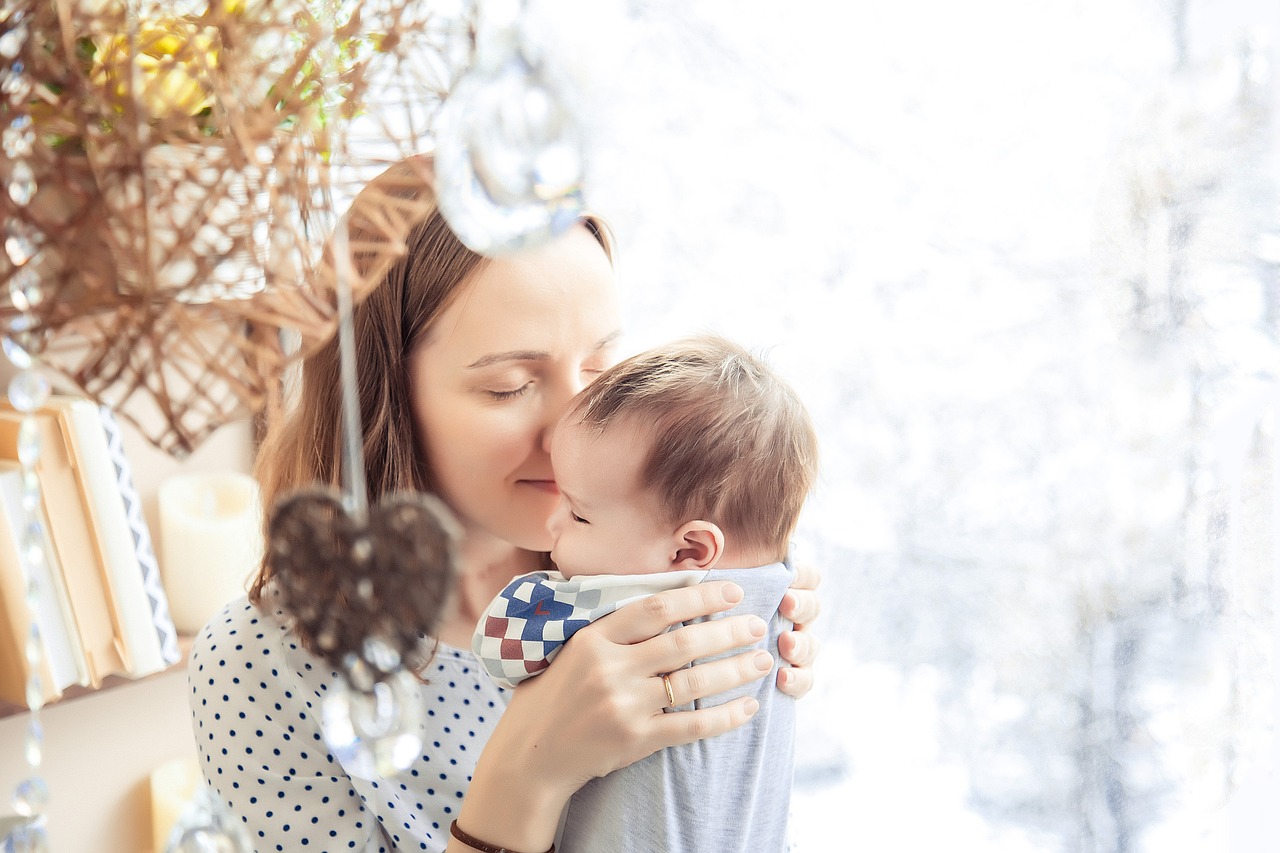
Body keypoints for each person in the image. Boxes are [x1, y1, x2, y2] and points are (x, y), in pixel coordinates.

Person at [187, 154, 821, 853]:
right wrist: (524, 780)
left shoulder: (648, 558)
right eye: (511, 385)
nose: (578, 427)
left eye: (604, 368)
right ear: (383, 399)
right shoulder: (261, 664)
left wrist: (765, 588)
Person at [472, 333, 819, 851]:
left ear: (690, 550)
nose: (554, 525)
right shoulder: (785, 590)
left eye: (579, 513)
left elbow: (499, 649)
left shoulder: (614, 607)